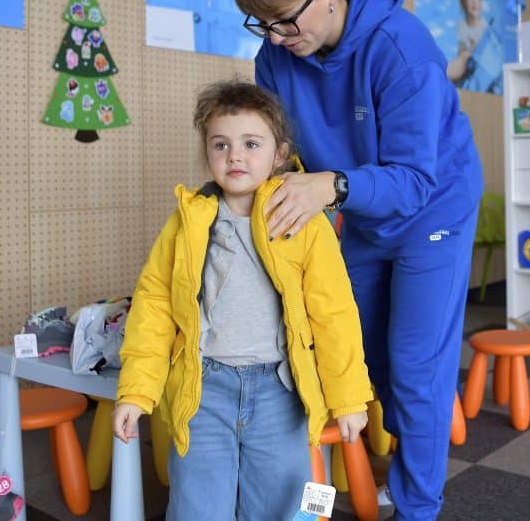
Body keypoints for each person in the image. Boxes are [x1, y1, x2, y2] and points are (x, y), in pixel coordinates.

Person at [232, 0, 483, 521]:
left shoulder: (403, 49)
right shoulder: (275, 55)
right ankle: (415, 425)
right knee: (361, 353)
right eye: (260, 23)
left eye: (284, 19)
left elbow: (417, 178)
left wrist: (332, 185)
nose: (274, 36)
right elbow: (282, 150)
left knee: (417, 363)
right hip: (360, 210)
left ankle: (420, 503)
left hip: (434, 209)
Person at [111, 78, 372, 521]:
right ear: (207, 153)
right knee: (197, 507)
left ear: (279, 153)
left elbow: (334, 314)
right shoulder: (187, 221)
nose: (235, 156)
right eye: (220, 145)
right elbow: (154, 306)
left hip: (278, 393)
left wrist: (348, 399)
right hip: (204, 389)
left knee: (280, 508)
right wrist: (136, 390)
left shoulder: (305, 224)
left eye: (251, 143)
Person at [446, 0, 485, 83]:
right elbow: (461, 49)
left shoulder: (484, 26)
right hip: (466, 67)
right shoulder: (462, 25)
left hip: (481, 66)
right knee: (462, 56)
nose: (474, 1)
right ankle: (443, 74)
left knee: (465, 56)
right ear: (462, 0)